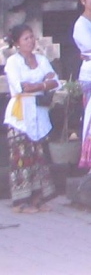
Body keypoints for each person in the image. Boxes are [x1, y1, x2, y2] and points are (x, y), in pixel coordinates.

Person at [4, 24, 58, 213]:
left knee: (39, 156)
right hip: (21, 114)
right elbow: (21, 87)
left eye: (32, 37)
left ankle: (38, 198)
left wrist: (40, 85)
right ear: (17, 43)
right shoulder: (13, 62)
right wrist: (43, 84)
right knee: (22, 157)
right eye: (26, 38)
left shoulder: (42, 59)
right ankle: (20, 202)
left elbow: (55, 80)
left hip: (39, 112)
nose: (31, 41)